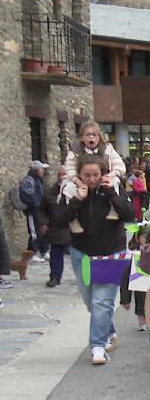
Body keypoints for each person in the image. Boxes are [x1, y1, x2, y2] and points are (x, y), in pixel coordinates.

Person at [53, 154, 136, 365]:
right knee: (91, 301)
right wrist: (77, 201)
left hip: (111, 252)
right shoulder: (72, 191)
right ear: (79, 175)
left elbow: (129, 214)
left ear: (103, 173)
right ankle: (108, 331)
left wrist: (110, 194)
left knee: (102, 301)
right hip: (82, 252)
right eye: (86, 175)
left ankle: (98, 347)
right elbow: (59, 220)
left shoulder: (113, 187)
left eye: (95, 175)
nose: (91, 179)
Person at [63, 121, 127, 234]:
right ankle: (73, 219)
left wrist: (110, 175)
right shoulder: (75, 151)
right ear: (82, 138)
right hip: (81, 181)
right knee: (68, 187)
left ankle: (113, 209)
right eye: (88, 134)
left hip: (103, 181)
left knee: (115, 181)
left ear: (99, 137)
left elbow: (120, 166)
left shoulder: (107, 149)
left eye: (94, 134)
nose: (91, 137)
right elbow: (70, 170)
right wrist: (80, 182)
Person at [40, 166, 72, 287]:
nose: (63, 176)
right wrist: (43, 222)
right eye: (60, 174)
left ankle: (85, 278)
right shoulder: (49, 192)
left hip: (74, 228)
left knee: (80, 256)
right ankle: (55, 277)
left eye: (65, 174)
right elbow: (41, 209)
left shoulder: (76, 190)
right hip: (57, 228)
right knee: (56, 254)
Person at [19, 160, 49, 263]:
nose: (43, 171)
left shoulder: (38, 180)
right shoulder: (29, 180)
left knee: (42, 230)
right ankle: (31, 253)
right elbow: (27, 195)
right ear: (36, 170)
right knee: (34, 232)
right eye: (41, 169)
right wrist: (35, 204)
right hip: (32, 210)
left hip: (39, 210)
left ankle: (44, 251)